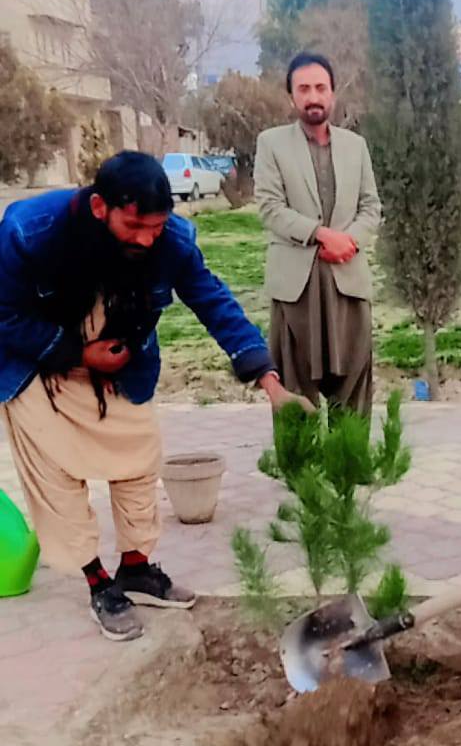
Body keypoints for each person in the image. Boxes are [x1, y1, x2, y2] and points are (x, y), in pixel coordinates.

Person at [0, 151, 292, 642]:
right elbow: (3, 316)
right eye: (134, 226)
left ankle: (135, 570)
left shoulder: (170, 242)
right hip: (40, 364)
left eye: (155, 227)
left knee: (139, 458)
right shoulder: (29, 232)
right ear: (100, 207)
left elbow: (213, 300)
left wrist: (269, 379)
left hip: (120, 366)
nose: (145, 239)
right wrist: (77, 353)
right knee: (57, 476)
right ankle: (99, 584)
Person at [254, 51, 381, 416]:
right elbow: (270, 207)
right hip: (296, 287)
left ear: (333, 93)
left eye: (320, 88)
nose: (313, 97)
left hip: (347, 282)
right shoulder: (272, 143)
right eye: (304, 88)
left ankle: (349, 454)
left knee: (353, 398)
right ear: (291, 96)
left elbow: (371, 206)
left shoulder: (355, 146)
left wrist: (349, 240)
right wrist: (322, 235)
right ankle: (300, 456)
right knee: (295, 396)